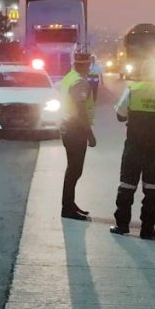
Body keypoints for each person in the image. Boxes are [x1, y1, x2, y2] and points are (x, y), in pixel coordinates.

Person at [110, 61, 155, 239]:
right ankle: (147, 228)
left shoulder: (133, 89)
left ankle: (122, 225)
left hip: (134, 146)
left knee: (127, 184)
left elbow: (120, 115)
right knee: (153, 187)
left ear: (142, 72)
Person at [60, 53, 98, 220]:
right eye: (88, 64)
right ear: (85, 65)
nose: (90, 67)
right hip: (75, 130)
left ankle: (69, 204)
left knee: (72, 169)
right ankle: (67, 208)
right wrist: (90, 135)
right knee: (75, 170)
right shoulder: (79, 82)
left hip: (68, 127)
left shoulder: (69, 77)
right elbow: (81, 111)